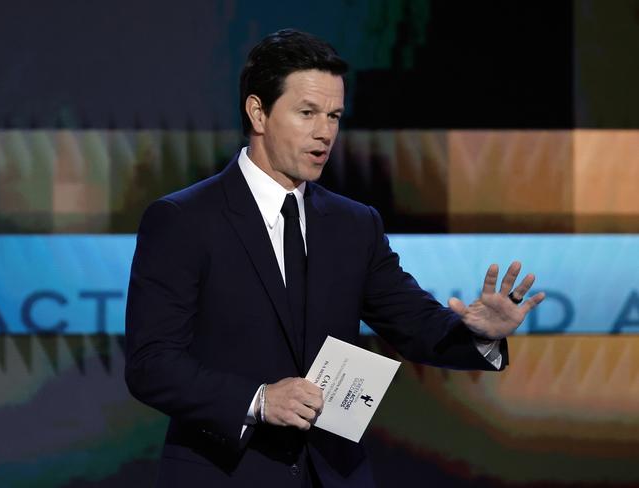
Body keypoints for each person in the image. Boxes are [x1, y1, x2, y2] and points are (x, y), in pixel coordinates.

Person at [125, 29, 544, 488]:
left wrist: (478, 334)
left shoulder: (353, 224)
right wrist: (259, 399)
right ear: (258, 112)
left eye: (334, 116)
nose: (325, 132)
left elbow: (415, 323)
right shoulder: (183, 219)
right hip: (224, 474)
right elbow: (152, 364)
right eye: (307, 113)